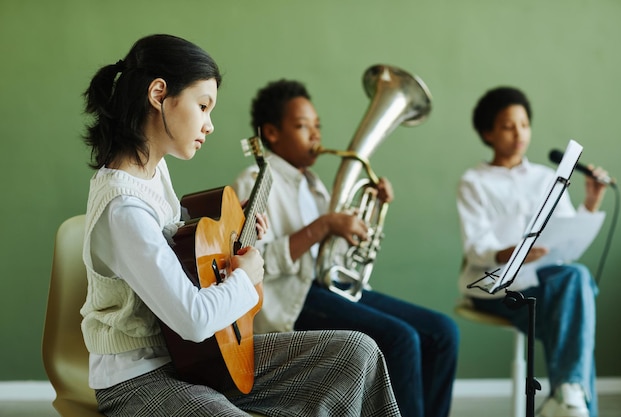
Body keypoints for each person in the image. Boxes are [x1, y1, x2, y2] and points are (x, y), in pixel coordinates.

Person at [79, 34, 402, 417]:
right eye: (203, 106)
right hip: (138, 379)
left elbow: (177, 251)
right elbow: (194, 319)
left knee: (355, 353)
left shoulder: (152, 170)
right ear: (158, 93)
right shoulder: (123, 207)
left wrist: (234, 229)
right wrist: (245, 277)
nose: (209, 124)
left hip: (192, 358)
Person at [232, 79, 459, 417]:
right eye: (302, 126)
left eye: (317, 126)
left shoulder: (313, 185)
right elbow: (253, 262)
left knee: (443, 332)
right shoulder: (254, 179)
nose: (315, 135)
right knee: (400, 339)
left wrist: (365, 215)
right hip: (292, 300)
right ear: (272, 133)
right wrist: (324, 226)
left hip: (327, 289)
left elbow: (332, 254)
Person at [456, 86, 609, 417]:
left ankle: (567, 397)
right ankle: (569, 398)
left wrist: (592, 202)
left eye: (524, 124)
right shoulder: (474, 182)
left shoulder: (546, 179)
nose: (519, 133)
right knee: (576, 309)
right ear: (488, 133)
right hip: (496, 288)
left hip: (545, 284)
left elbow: (569, 237)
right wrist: (511, 253)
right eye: (508, 126)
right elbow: (475, 247)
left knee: (576, 279)